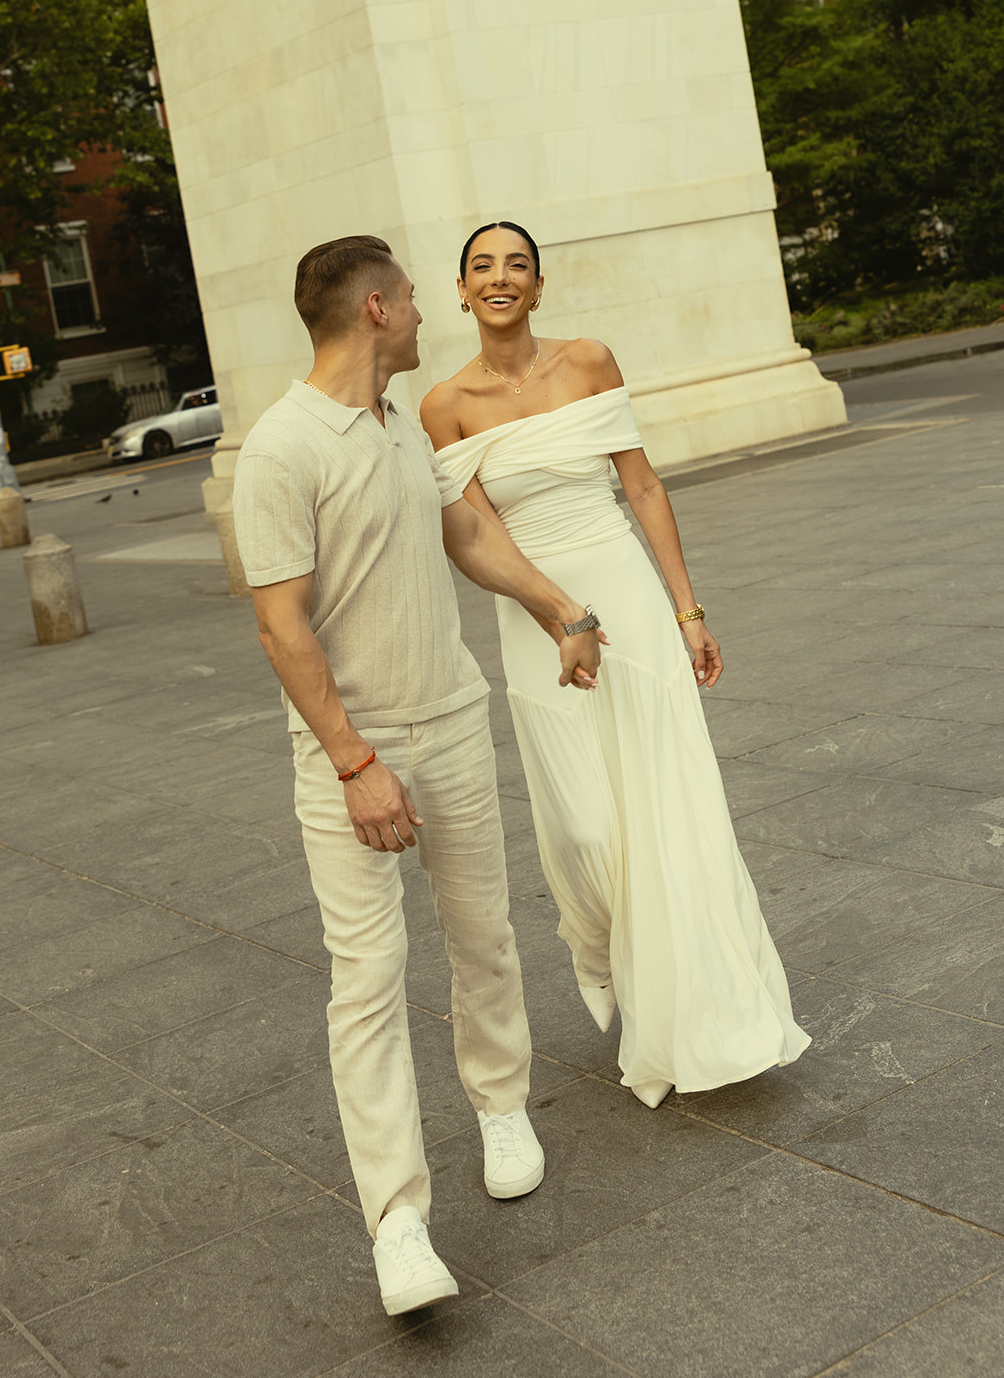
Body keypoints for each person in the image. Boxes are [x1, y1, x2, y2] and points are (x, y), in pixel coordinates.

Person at [231, 235, 604, 1317]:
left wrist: (561, 611)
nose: (427, 315)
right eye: (411, 298)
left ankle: (499, 1105)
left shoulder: (402, 427)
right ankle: (397, 1224)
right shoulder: (282, 448)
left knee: (482, 931)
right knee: (368, 980)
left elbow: (467, 534)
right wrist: (355, 763)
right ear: (380, 309)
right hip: (351, 753)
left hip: (449, 720)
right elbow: (278, 624)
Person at [420, 221, 811, 1111]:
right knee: (587, 830)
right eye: (482, 266)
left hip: (629, 603)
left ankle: (703, 1018)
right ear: (459, 289)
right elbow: (473, 536)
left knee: (671, 809)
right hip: (536, 621)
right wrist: (556, 616)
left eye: (516, 264)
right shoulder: (443, 405)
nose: (499, 277)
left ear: (539, 284)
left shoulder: (591, 361)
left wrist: (686, 610)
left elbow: (640, 485)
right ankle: (600, 950)